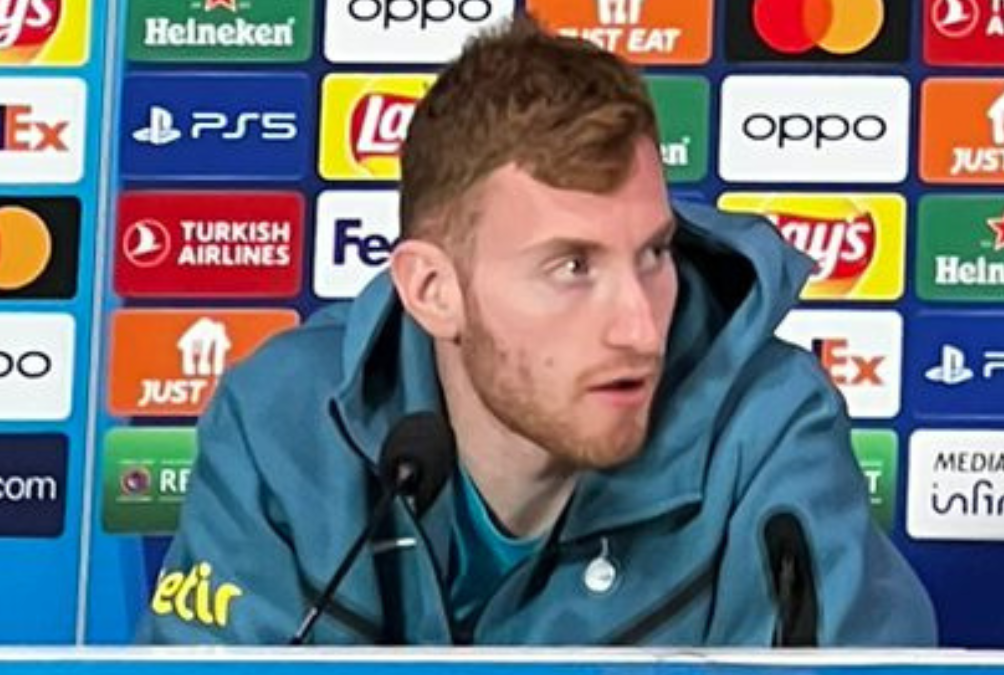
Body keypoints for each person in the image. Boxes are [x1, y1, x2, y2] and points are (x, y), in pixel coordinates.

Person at [138, 15, 937, 646]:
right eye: (572, 267)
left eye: (654, 253)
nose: (640, 327)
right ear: (433, 290)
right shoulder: (279, 424)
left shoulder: (766, 426)